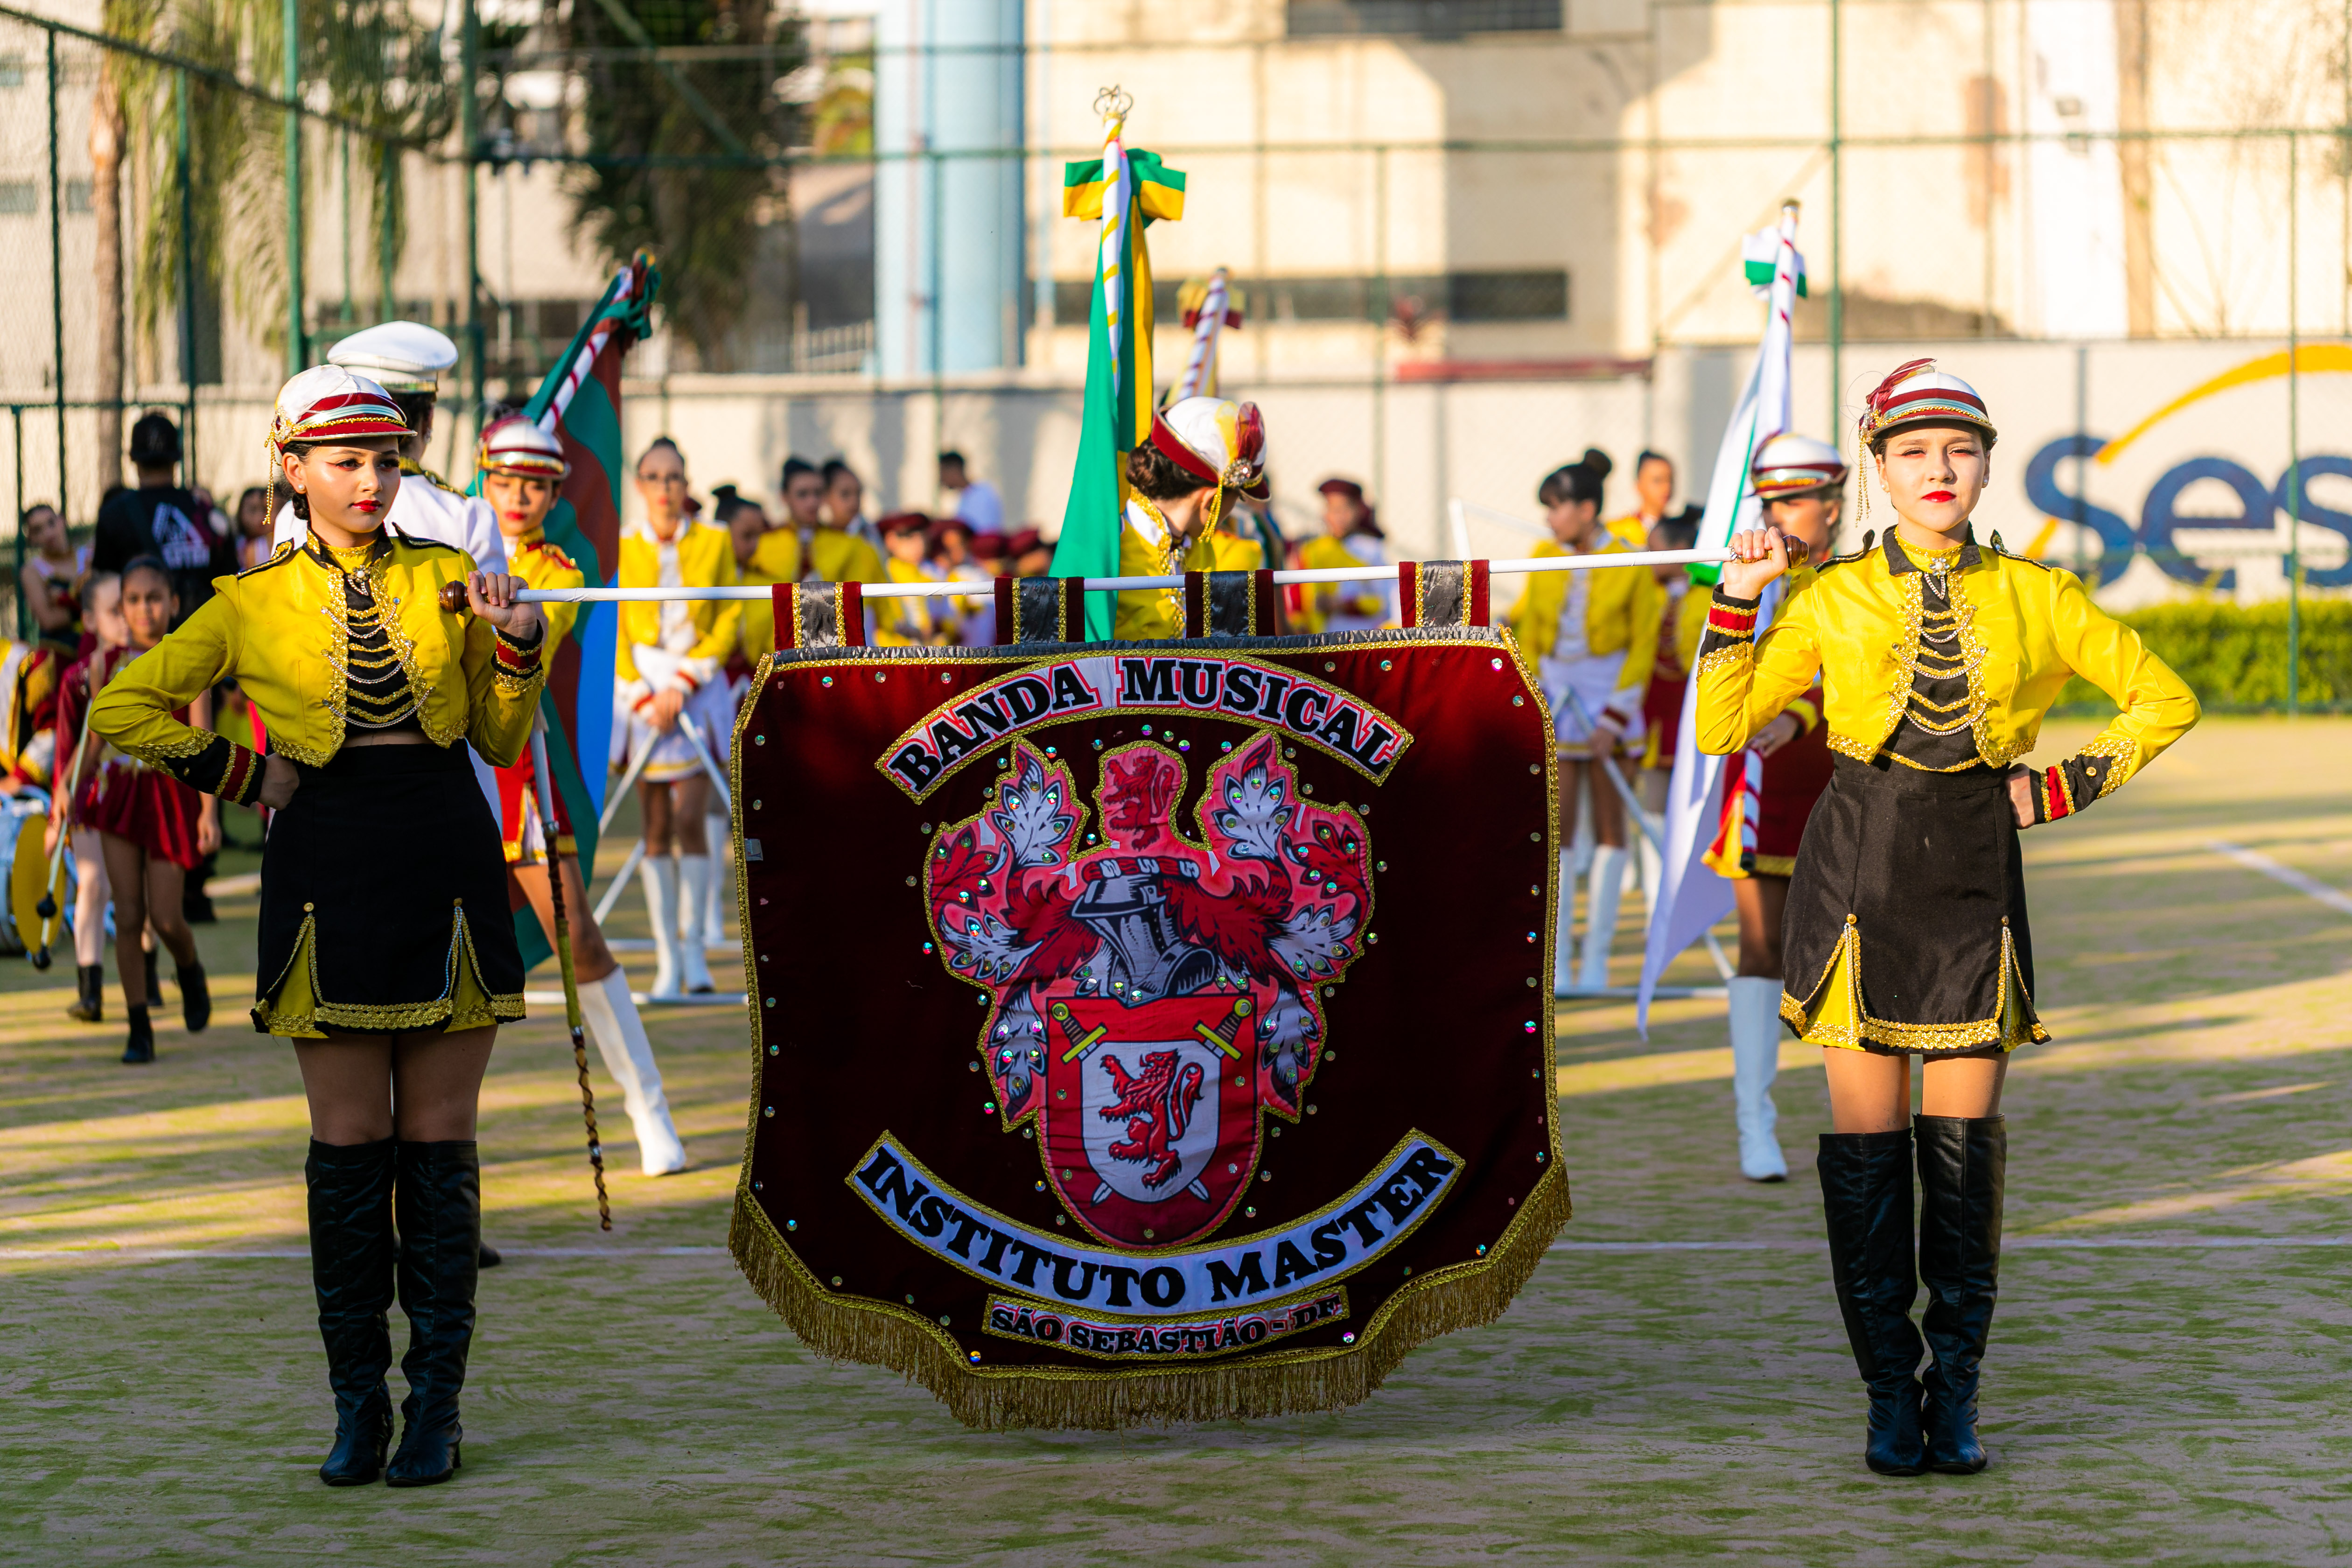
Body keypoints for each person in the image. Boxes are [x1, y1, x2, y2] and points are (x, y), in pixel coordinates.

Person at [1699, 360, 2198, 1477]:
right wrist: (1741, 595)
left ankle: (1957, 1396)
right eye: (1914, 452)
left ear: (1984, 464)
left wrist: (2062, 786)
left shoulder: (2040, 593)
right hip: (1857, 873)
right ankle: (1889, 1397)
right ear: (1878, 469)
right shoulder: (1829, 595)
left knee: (1964, 1163)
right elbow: (1724, 723)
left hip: (1976, 870)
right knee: (1871, 1161)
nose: (1938, 470)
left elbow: (2167, 699)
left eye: (1960, 450)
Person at [87, 365, 546, 1488]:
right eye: (345, 460)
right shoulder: (245, 602)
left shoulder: (454, 577)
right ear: (290, 468)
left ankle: (436, 1408)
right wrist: (245, 773)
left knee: (440, 1151)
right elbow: (121, 706)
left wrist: (521, 643)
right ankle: (360, 1409)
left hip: (443, 850)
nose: (372, 479)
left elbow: (495, 738)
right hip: (324, 864)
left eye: (386, 459)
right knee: (347, 1153)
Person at [477, 417, 687, 1176]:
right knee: (442, 967)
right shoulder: (436, 549)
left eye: (535, 485)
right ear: (484, 482)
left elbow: (541, 630)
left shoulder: (561, 569)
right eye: (505, 482)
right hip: (437, 775)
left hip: (514, 775)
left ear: (555, 494)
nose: (519, 497)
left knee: (581, 940)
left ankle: (647, 1107)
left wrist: (502, 612)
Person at [1702, 435, 1848, 1183]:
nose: (1779, 514)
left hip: (1847, 785)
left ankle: (1862, 1124)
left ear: (1832, 506)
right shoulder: (1750, 576)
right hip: (1761, 790)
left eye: (1794, 500)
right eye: (1771, 501)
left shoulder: (1859, 581)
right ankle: (1755, 1124)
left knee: (1846, 958)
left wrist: (1798, 715)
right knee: (1762, 952)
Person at [50, 557, 217, 1063]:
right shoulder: (108, 664)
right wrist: (68, 788)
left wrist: (209, 814)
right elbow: (96, 740)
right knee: (126, 914)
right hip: (119, 795)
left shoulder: (192, 659)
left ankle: (189, 969)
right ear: (121, 608)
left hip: (171, 797)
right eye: (133, 600)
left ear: (173, 603)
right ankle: (138, 1025)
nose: (144, 609)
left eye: (153, 598)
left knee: (166, 917)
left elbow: (205, 742)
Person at [1506, 450, 1660, 993]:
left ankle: (1597, 958)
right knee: (1560, 831)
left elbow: (1644, 644)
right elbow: (1526, 630)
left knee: (1613, 831)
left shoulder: (1629, 559)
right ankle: (1561, 961)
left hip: (1611, 696)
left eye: (1558, 507)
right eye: (1548, 509)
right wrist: (1536, 695)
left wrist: (1615, 718)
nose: (1551, 518)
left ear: (1587, 507)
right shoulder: (1541, 556)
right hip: (1556, 695)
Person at [616, 437, 739, 999]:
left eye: (674, 478)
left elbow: (730, 613)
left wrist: (687, 679)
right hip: (643, 692)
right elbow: (611, 624)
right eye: (653, 477)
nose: (665, 489)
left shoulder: (715, 542)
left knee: (692, 818)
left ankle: (695, 952)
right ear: (639, 485)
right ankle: (667, 958)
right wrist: (642, 694)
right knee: (655, 826)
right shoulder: (620, 547)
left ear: (686, 485)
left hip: (696, 687)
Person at [270, 322, 505, 574]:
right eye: (348, 463)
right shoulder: (467, 513)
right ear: (430, 417)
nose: (373, 484)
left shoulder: (292, 514)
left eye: (387, 463)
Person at [1113, 396, 1268, 640]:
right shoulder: (1111, 543)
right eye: (1238, 497)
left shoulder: (1200, 548)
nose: (1234, 508)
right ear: (1210, 499)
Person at [55, 570, 125, 1025]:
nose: (130, 616)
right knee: (94, 884)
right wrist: (59, 804)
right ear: (91, 619)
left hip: (140, 792)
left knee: (133, 892)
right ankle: (90, 989)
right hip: (92, 794)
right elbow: (66, 751)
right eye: (117, 609)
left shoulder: (159, 665)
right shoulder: (78, 679)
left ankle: (148, 977)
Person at [91, 412, 236, 629]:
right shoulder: (204, 510)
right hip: (209, 636)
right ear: (177, 458)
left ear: (133, 459)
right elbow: (232, 578)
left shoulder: (114, 513)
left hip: (147, 645)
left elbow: (105, 585)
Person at [1295, 478, 1389, 631]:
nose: (1340, 517)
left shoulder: (1371, 549)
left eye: (1345, 510)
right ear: (1325, 513)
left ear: (1358, 511)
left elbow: (1383, 602)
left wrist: (1341, 605)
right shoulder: (1312, 549)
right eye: (1334, 510)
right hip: (1321, 636)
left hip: (1364, 633)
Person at [19, 503, 86, 656]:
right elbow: (48, 620)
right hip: (60, 655)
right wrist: (87, 609)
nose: (48, 534)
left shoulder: (87, 556)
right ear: (31, 538)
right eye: (38, 530)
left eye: (51, 523)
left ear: (62, 520)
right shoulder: (33, 570)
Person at [873, 511, 944, 646]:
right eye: (910, 537)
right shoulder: (886, 572)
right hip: (894, 654)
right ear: (891, 540)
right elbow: (886, 618)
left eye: (923, 536)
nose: (920, 544)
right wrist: (918, 633)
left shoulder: (934, 572)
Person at [1607, 449, 1674, 548]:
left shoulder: (1681, 530)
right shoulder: (1618, 530)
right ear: (1638, 485)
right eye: (1658, 481)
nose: (1666, 488)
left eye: (1670, 480)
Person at [821, 457, 882, 556]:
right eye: (845, 494)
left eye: (858, 493)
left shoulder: (870, 535)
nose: (854, 501)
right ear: (825, 496)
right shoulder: (817, 540)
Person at [938, 449, 1003, 536]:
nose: (941, 479)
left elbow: (985, 532)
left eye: (943, 473)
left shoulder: (982, 494)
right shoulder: (964, 498)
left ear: (954, 469)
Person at [233, 485, 275, 571]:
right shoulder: (232, 545)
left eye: (265, 510)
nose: (260, 517)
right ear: (241, 512)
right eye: (253, 510)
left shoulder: (276, 544)